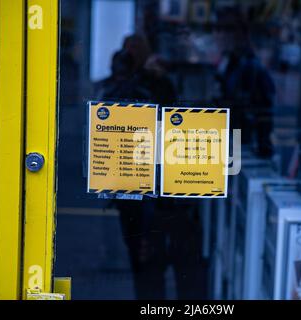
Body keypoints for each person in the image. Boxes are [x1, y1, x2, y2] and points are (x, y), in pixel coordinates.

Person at [99, 34, 206, 299]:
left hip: (163, 186)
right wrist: (127, 76)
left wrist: (152, 77)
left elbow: (175, 116)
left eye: (136, 51)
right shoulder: (118, 83)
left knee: (170, 257)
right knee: (142, 259)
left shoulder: (159, 82)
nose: (131, 57)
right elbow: (105, 112)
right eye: (127, 52)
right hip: (131, 185)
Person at [216, 13, 276, 158]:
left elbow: (263, 109)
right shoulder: (232, 60)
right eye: (220, 30)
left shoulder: (249, 65)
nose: (221, 35)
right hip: (233, 133)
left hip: (242, 136)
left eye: (228, 30)